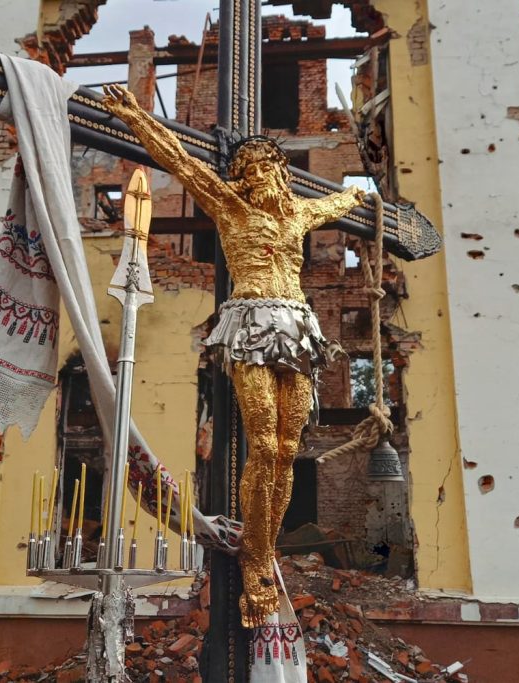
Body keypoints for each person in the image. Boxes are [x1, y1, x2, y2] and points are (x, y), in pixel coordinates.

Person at [102, 84, 366, 627]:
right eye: (248, 168)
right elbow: (178, 159)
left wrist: (365, 199)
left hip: (297, 326)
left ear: (281, 173)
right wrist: (136, 116)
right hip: (249, 320)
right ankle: (257, 561)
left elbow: (344, 201)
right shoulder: (230, 206)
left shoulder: (298, 214)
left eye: (266, 166)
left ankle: (263, 548)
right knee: (263, 440)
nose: (257, 175)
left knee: (288, 449)